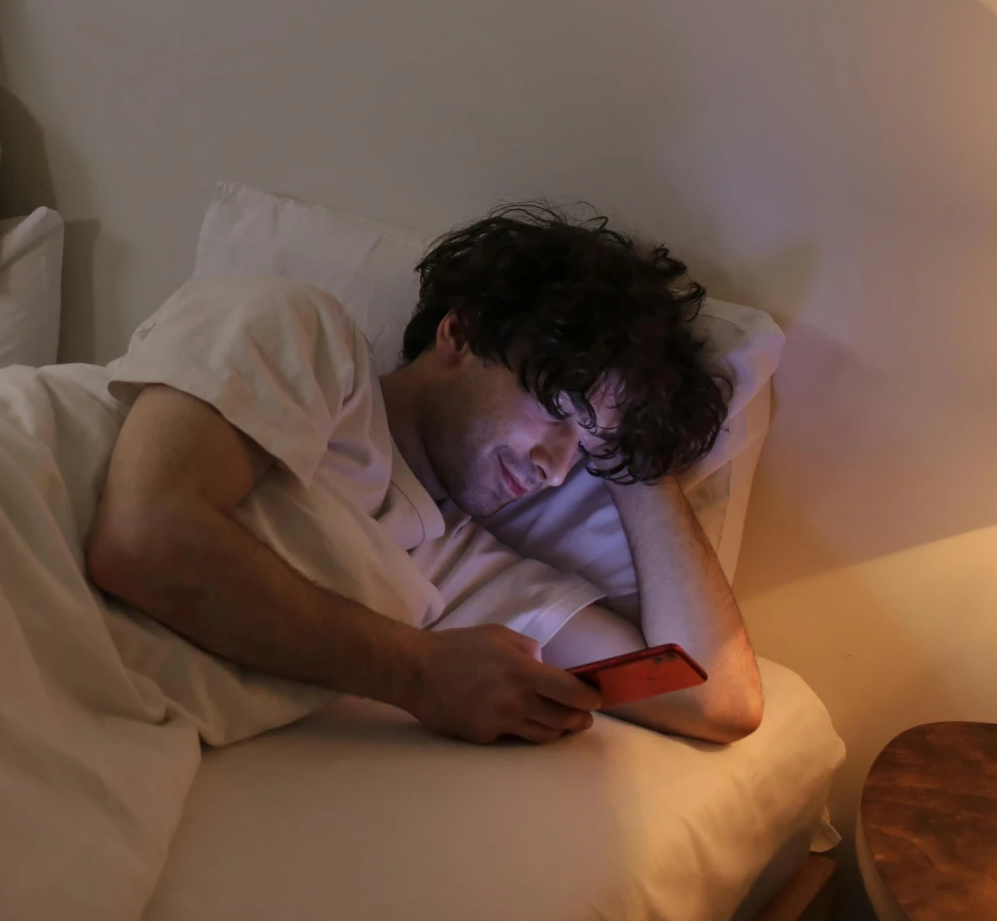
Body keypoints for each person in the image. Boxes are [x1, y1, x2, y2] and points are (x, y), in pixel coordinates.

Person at [85, 205, 766, 746]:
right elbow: (146, 536)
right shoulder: (303, 334)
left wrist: (630, 457)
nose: (556, 470)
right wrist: (416, 671)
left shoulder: (465, 569)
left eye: (586, 454)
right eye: (557, 411)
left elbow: (713, 697)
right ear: (462, 331)